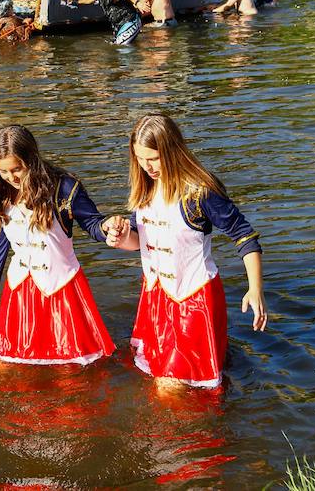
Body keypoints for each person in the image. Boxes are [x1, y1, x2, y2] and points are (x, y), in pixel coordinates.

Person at [106, 113, 267, 388]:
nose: (147, 166)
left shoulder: (199, 193)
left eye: (153, 158)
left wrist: (255, 289)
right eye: (140, 158)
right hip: (156, 297)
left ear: (171, 150)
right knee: (157, 376)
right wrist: (121, 238)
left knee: (170, 386)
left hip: (194, 300)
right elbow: (139, 241)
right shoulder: (145, 190)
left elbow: (244, 236)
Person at [0, 124, 122, 364]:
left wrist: (107, 229)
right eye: (4, 171)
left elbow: (92, 223)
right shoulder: (0, 193)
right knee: (10, 363)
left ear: (31, 160)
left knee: (69, 364)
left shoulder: (64, 188)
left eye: (17, 169)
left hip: (63, 289)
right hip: (20, 291)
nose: (11, 178)